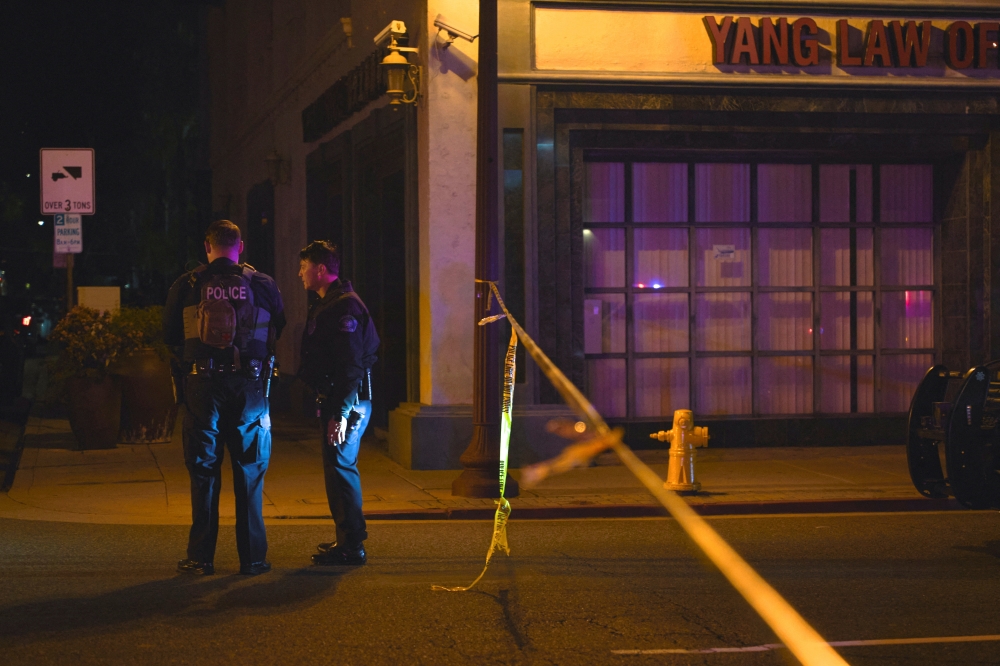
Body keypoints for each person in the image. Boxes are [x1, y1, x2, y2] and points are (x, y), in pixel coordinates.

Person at [163, 220, 286, 576]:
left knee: (203, 472)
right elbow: (280, 323)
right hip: (249, 386)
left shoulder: (187, 284)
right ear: (240, 246)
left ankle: (201, 558)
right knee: (249, 472)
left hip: (202, 385)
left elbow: (169, 333)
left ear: (207, 246)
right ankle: (253, 559)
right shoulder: (261, 284)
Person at [297, 240, 379, 566]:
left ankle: (352, 545)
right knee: (336, 469)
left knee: (341, 469)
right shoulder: (330, 303)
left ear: (320, 269)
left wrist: (341, 413)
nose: (300, 274)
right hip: (340, 400)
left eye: (304, 268)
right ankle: (346, 539)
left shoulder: (344, 308)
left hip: (349, 402)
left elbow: (350, 365)